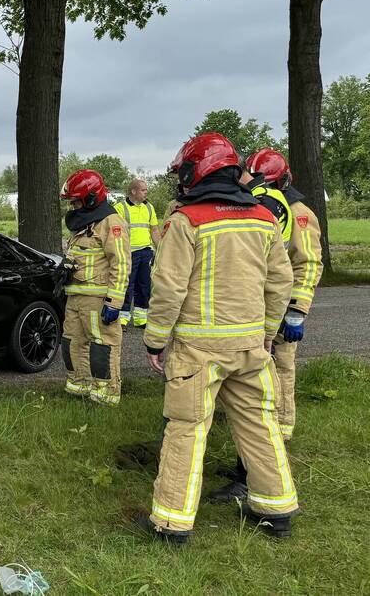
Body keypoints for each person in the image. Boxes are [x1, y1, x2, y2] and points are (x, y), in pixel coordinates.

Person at [137, 133, 296, 543]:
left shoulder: (187, 221)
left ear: (199, 172)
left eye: (185, 172)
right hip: (250, 348)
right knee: (261, 426)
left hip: (198, 351)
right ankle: (276, 511)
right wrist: (266, 334)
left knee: (186, 429)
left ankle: (172, 523)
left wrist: (155, 340)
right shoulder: (262, 216)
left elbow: (169, 287)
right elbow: (280, 281)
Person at [208, 148, 323, 502]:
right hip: (255, 313)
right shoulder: (259, 210)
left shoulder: (300, 215)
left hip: (281, 315)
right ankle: (250, 462)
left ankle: (265, 462)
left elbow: (307, 265)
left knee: (276, 380)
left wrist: (296, 312)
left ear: (283, 181)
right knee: (254, 390)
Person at [60, 169, 130, 406]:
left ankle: (107, 393)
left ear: (91, 198)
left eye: (76, 201)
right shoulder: (84, 222)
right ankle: (79, 387)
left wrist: (114, 302)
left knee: (102, 345)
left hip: (98, 299)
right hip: (75, 296)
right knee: (71, 342)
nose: (73, 206)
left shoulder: (111, 222)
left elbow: (121, 264)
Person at [114, 179, 161, 328]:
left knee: (144, 286)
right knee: (127, 286)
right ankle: (122, 319)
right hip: (129, 253)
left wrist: (160, 249)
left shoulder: (149, 207)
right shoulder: (120, 208)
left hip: (146, 252)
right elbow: (115, 232)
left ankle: (141, 319)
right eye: (143, 190)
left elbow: (154, 230)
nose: (146, 192)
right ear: (133, 191)